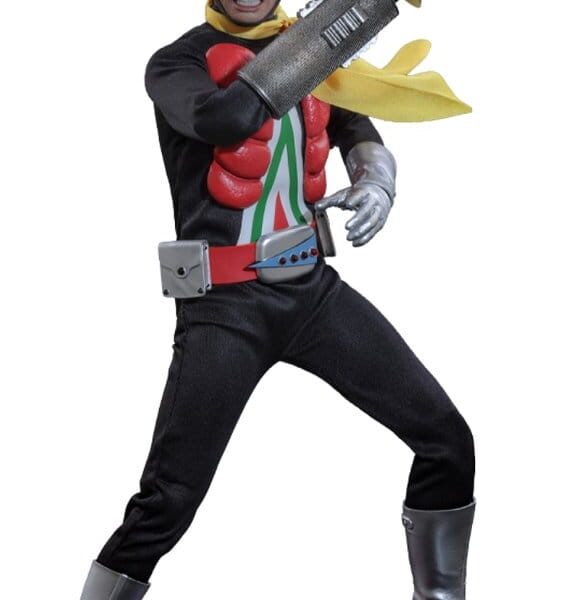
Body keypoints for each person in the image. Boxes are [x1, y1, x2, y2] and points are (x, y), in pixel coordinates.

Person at [80, 1, 476, 599]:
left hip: (312, 293)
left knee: (447, 440)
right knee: (168, 500)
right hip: (225, 308)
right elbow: (223, 118)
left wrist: (377, 180)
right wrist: (329, 34)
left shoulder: (311, 52)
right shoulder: (177, 63)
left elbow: (354, 128)